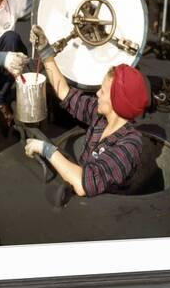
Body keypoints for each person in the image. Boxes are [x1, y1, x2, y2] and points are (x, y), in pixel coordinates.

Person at [25, 25, 149, 197]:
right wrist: (46, 54)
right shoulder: (100, 116)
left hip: (107, 213)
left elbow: (86, 184)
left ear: (117, 102)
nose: (97, 93)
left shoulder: (129, 145)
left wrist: (48, 150)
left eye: (103, 91)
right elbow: (65, 93)